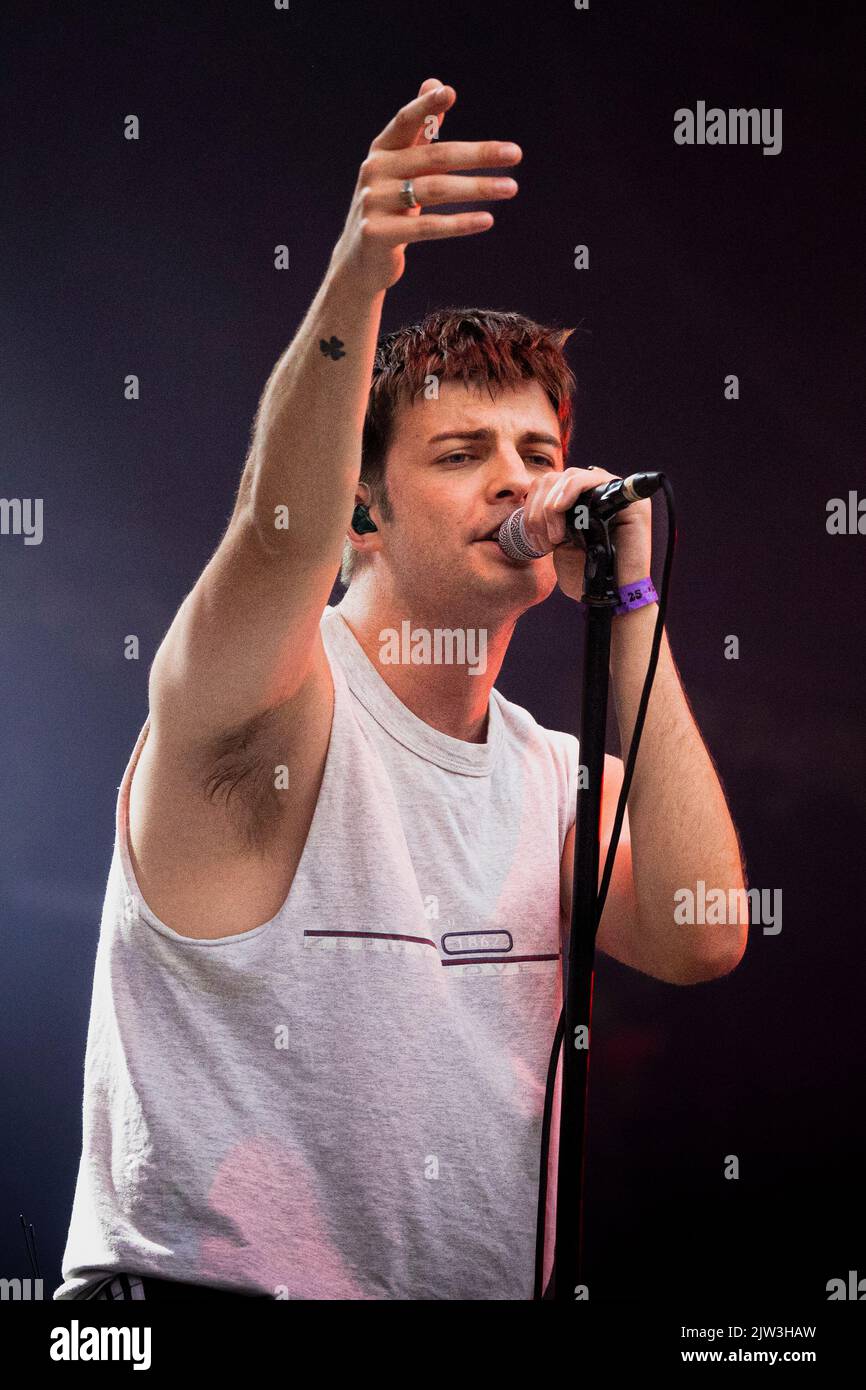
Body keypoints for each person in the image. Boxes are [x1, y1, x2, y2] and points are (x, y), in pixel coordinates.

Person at [55, 78, 748, 1302]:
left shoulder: (551, 775)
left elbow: (700, 935)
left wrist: (628, 602)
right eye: (458, 452)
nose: (514, 482)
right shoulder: (271, 698)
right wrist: (355, 280)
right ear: (362, 509)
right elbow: (277, 534)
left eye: (536, 452)